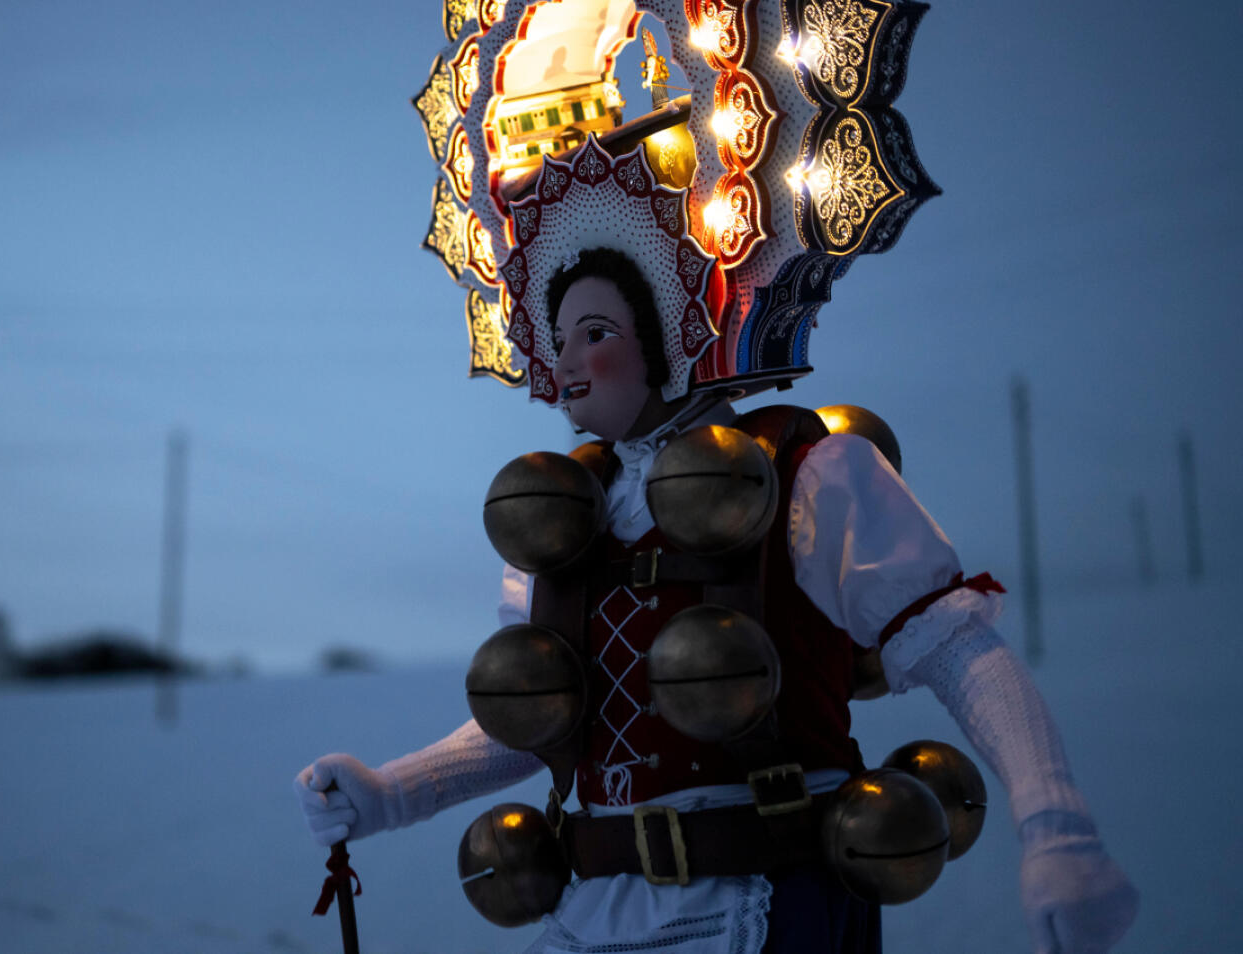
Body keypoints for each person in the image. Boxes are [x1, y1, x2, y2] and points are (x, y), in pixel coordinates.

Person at [295, 145, 1138, 954]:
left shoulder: (811, 476)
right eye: (560, 338)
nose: (567, 363)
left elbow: (961, 653)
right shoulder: (554, 523)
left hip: (769, 901)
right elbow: (541, 721)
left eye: (596, 332)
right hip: (598, 910)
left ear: (672, 334)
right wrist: (392, 792)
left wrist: (1057, 829)